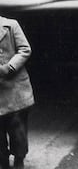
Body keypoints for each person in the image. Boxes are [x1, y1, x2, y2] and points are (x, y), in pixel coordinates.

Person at [0, 16, 33, 169]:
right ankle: (3, 160)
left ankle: (19, 159)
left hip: (15, 90)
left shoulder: (11, 25)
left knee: (17, 131)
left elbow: (25, 49)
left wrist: (10, 67)